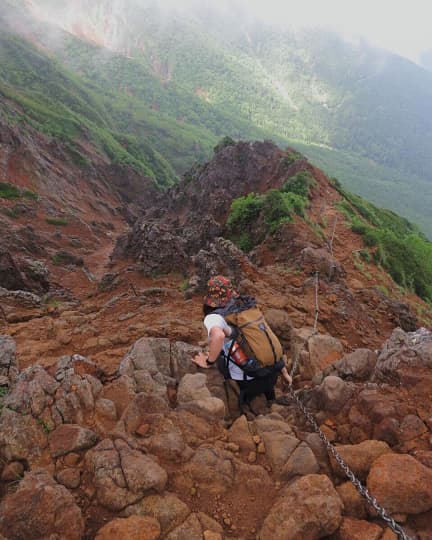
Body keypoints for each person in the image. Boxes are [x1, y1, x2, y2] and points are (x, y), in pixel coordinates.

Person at [193, 275, 292, 410]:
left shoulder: (214, 317)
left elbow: (218, 336)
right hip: (271, 377)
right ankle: (269, 399)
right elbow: (263, 339)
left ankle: (243, 405)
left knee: (218, 357)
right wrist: (284, 373)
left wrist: (208, 361)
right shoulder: (246, 306)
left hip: (248, 383)